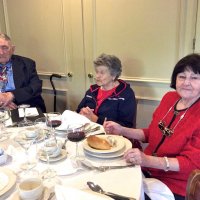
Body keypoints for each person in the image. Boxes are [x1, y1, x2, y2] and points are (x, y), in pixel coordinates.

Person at [104, 53, 200, 200]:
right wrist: (122, 130)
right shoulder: (170, 98)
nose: (186, 82)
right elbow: (152, 133)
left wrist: (147, 160)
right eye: (182, 76)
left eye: (194, 78)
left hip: (174, 184)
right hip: (146, 170)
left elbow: (189, 163)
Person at [77, 53, 136, 128]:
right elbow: (79, 109)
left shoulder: (126, 94)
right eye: (97, 72)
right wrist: (82, 111)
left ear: (113, 75)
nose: (97, 76)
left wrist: (97, 119)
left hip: (111, 136)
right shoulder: (92, 91)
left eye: (102, 73)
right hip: (88, 131)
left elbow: (126, 126)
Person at [0, 33, 46, 112]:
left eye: (4, 48)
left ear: (12, 49)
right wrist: (3, 101)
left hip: (24, 107)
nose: (1, 52)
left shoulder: (27, 63)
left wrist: (12, 95)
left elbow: (35, 87)